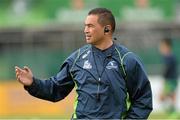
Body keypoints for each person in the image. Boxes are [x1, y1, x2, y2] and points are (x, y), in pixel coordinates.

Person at [15, 8, 153, 119]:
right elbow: (56, 89)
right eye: (85, 26)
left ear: (107, 29)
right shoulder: (77, 59)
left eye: (90, 26)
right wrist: (32, 83)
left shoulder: (127, 60)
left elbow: (143, 100)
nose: (85, 30)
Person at [159, 37, 178, 114]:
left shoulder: (169, 57)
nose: (160, 48)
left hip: (170, 80)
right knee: (170, 96)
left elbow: (167, 69)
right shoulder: (170, 56)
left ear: (167, 46)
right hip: (172, 80)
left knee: (162, 97)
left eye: (162, 46)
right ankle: (172, 112)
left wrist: (164, 78)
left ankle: (172, 112)